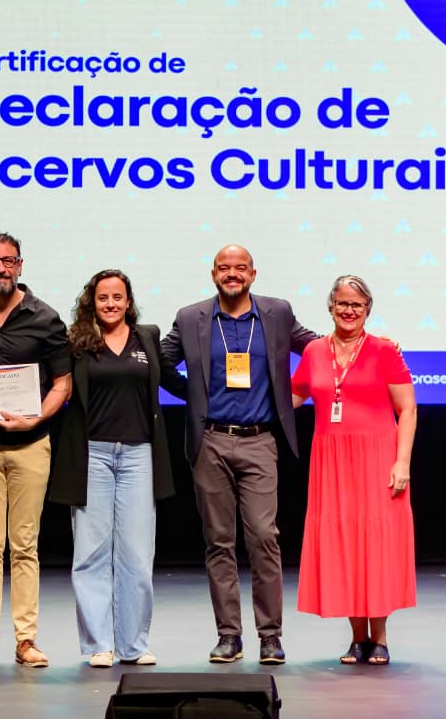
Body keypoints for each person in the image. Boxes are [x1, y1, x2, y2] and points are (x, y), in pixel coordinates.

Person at [161, 244, 318, 665]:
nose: (233, 274)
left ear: (253, 274)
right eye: (224, 268)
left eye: (240, 268)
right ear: (213, 273)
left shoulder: (277, 313)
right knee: (219, 542)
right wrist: (192, 394)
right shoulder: (191, 317)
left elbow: (317, 348)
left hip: (259, 441)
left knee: (264, 537)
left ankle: (270, 636)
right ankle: (229, 635)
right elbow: (159, 362)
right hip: (210, 440)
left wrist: (368, 344)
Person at [50, 269, 186, 667]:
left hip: (139, 455)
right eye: (103, 298)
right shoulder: (76, 342)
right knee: (90, 553)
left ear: (128, 301)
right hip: (91, 455)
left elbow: (176, 382)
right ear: (92, 302)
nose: (110, 304)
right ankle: (99, 645)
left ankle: (133, 645)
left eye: (117, 297)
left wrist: (223, 393)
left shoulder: (148, 337)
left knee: (137, 556)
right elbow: (51, 380)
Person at [0, 232, 72, 669]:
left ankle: (26, 640)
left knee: (24, 545)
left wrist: (35, 419)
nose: (0, 268)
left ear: (20, 265)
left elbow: (62, 384)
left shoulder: (46, 317)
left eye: (7, 261)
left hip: (30, 444)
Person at [291, 275, 417, 666]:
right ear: (331, 306)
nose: (349, 311)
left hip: (377, 459)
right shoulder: (314, 351)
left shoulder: (384, 350)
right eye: (342, 303)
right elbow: (290, 397)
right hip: (331, 462)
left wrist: (402, 462)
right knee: (344, 544)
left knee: (375, 545)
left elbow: (408, 409)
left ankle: (379, 637)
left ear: (367, 310)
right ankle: (357, 638)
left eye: (357, 305)